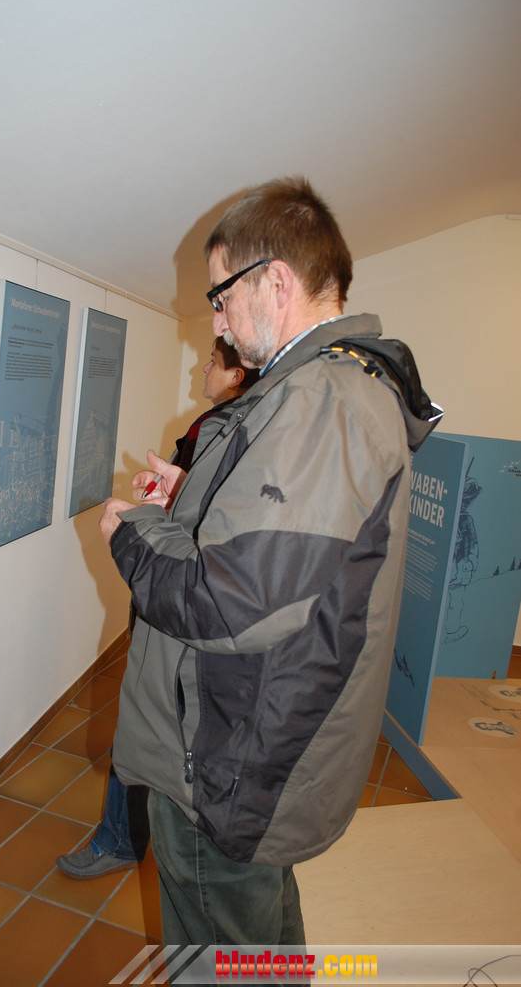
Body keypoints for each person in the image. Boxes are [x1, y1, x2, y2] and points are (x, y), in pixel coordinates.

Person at [99, 176, 442, 946]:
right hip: (251, 738)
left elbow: (231, 601)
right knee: (258, 934)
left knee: (221, 946)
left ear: (275, 282)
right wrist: (189, 498)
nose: (216, 321)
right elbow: (284, 542)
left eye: (220, 296)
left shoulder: (319, 401)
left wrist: (134, 528)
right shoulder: (320, 392)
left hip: (230, 757)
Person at [57, 337, 259, 878]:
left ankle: (121, 838)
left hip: (182, 604)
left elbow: (220, 537)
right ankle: (123, 835)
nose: (202, 367)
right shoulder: (220, 428)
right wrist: (173, 497)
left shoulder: (236, 431)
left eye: (213, 361)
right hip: (174, 594)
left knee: (149, 718)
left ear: (237, 375)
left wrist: (161, 513)